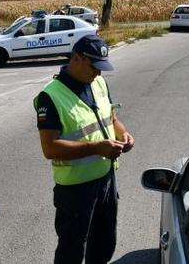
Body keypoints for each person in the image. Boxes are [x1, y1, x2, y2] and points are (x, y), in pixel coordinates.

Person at [34, 35, 135, 264]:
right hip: (75, 190)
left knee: (104, 243)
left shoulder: (97, 82)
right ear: (76, 58)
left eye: (101, 68)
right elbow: (49, 148)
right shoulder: (50, 96)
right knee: (71, 249)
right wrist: (97, 148)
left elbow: (111, 118)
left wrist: (124, 134)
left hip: (106, 180)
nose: (98, 73)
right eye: (94, 67)